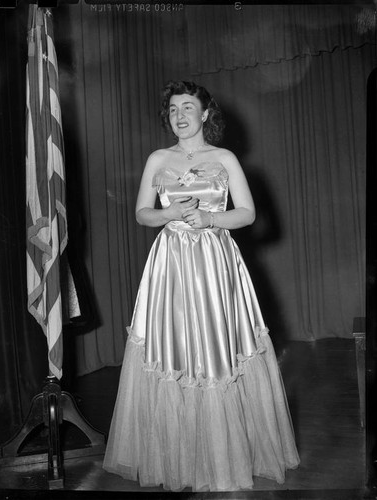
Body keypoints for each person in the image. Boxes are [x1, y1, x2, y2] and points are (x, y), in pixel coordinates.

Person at [103, 80, 300, 491]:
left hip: (214, 261)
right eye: (173, 109)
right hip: (170, 262)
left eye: (188, 107)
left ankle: (225, 455)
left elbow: (246, 213)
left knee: (215, 348)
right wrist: (168, 212)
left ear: (205, 114)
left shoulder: (224, 157)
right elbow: (142, 213)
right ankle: (178, 456)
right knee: (172, 348)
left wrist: (211, 220)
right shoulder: (158, 158)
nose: (180, 115)